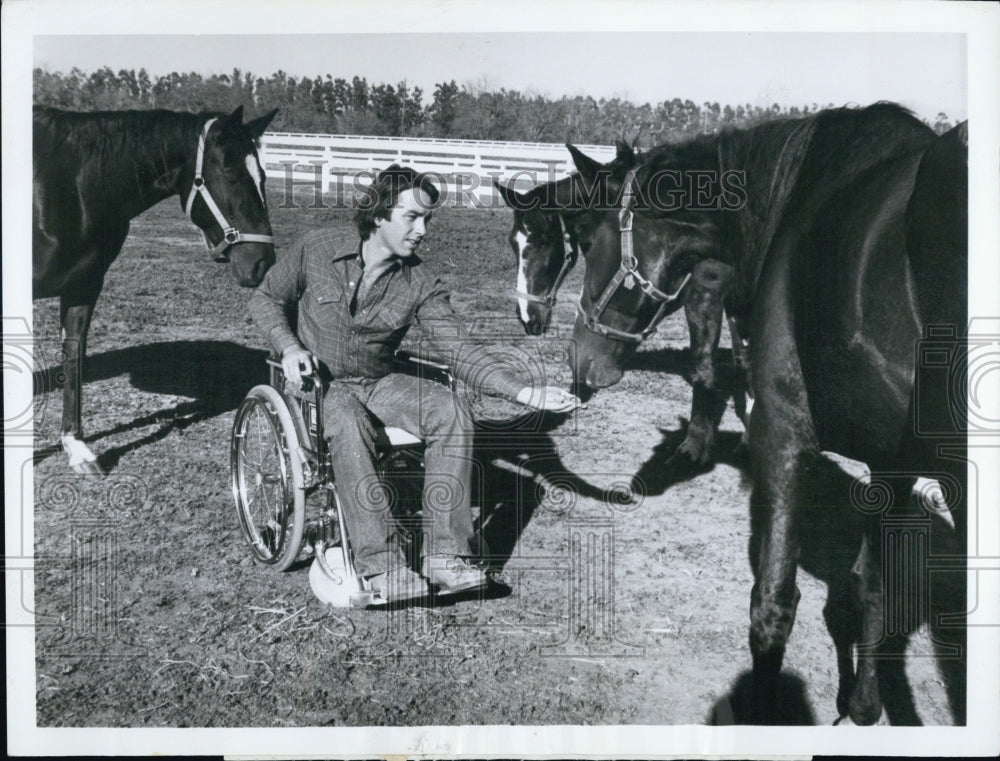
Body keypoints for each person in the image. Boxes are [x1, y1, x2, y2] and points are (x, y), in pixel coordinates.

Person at [249, 165, 580, 604]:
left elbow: (460, 352)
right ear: (380, 215)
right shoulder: (317, 247)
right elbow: (266, 298)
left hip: (378, 381)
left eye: (428, 220)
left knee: (449, 408)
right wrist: (289, 348)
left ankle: (446, 557)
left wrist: (525, 392)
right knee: (346, 418)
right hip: (319, 387)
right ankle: (383, 565)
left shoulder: (420, 282)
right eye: (412, 218)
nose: (423, 230)